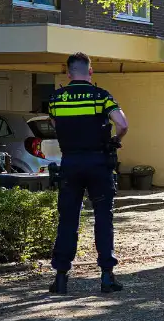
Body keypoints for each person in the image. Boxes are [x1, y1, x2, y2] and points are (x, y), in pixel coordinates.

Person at [46, 52, 129, 294]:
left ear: (68, 73)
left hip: (70, 163)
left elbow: (54, 123)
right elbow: (122, 124)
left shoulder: (57, 99)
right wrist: (115, 139)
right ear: (90, 72)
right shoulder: (101, 96)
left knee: (68, 220)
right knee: (103, 218)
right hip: (98, 163)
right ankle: (106, 277)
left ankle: (61, 278)